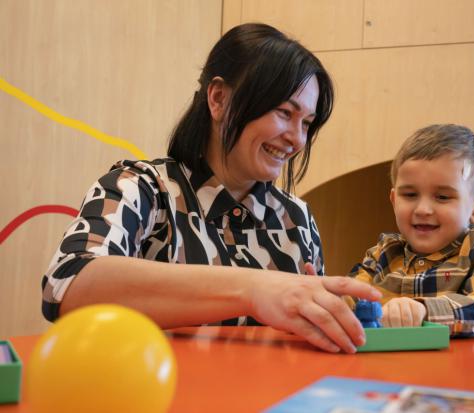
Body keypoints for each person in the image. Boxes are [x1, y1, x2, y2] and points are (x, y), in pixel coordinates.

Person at [41, 23, 381, 354]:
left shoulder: (297, 217)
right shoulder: (140, 188)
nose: (296, 139)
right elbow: (67, 282)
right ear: (218, 99)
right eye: (283, 112)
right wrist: (254, 288)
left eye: (306, 123)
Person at [349, 124, 474, 336]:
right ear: (394, 200)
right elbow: (351, 298)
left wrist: (424, 309)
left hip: (466, 367)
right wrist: (326, 298)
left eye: (442, 197)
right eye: (410, 195)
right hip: (391, 367)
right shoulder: (384, 252)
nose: (422, 209)